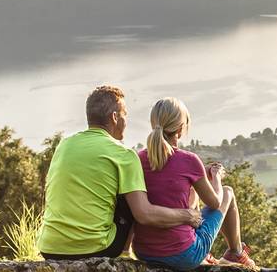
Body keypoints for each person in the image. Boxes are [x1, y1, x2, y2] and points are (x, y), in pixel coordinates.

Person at [38, 86, 201, 260]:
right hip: (95, 249)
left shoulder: (64, 145)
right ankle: (125, 252)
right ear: (115, 117)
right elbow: (144, 214)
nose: (126, 120)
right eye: (125, 114)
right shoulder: (124, 155)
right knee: (132, 196)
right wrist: (187, 216)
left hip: (49, 248)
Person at [133, 97, 255, 271]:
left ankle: (226, 253)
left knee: (192, 195)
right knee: (227, 192)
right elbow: (215, 203)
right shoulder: (189, 160)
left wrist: (197, 176)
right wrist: (216, 177)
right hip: (184, 255)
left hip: (144, 252)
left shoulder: (137, 159)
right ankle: (236, 252)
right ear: (181, 129)